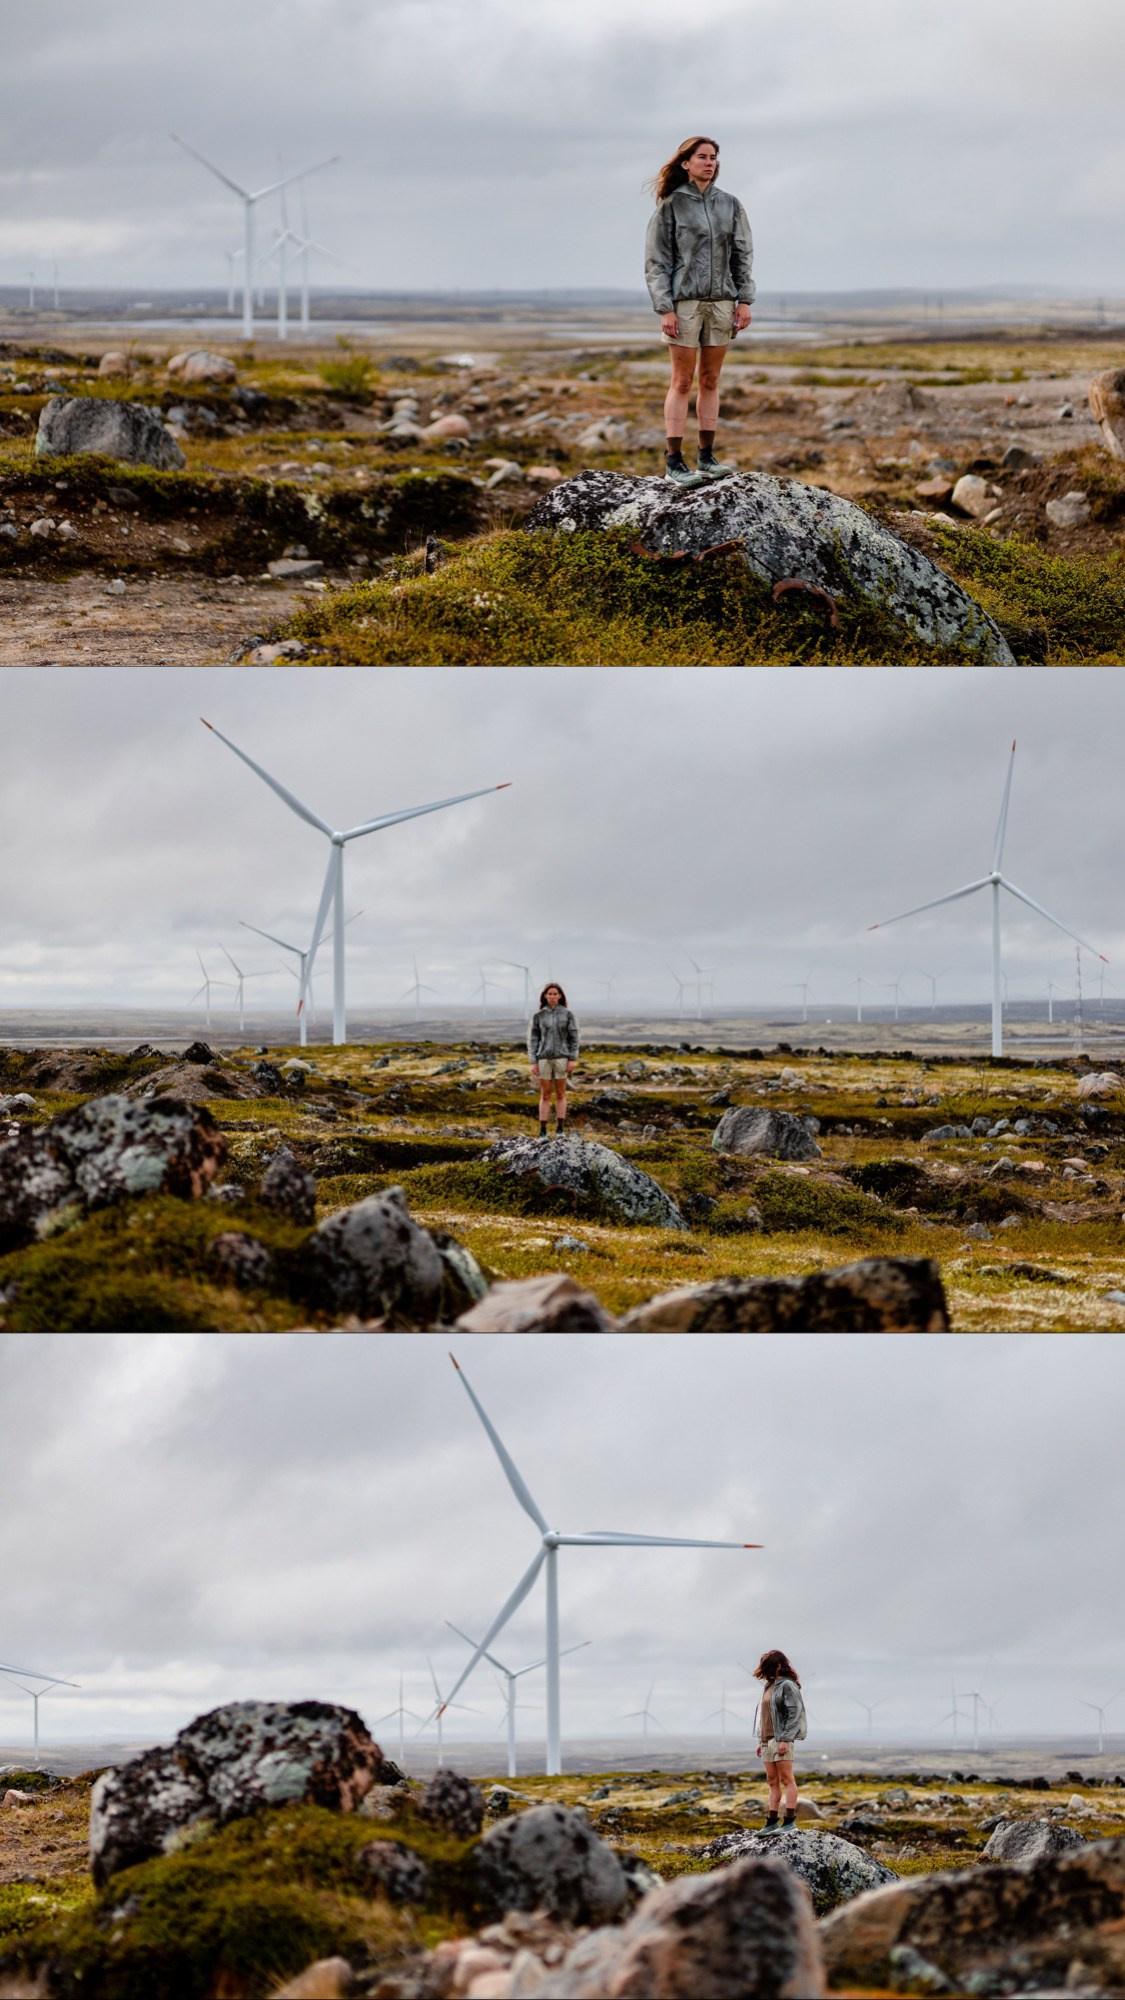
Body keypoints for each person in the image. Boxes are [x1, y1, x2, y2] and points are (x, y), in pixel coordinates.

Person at [644, 135, 755, 488]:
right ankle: (674, 461)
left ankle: (706, 458)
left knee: (710, 380)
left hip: (722, 303)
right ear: (686, 163)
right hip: (685, 304)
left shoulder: (730, 204)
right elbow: (657, 262)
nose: (709, 162)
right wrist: (665, 308)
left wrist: (744, 299)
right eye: (702, 157)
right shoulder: (671, 206)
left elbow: (742, 254)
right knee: (682, 381)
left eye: (713, 157)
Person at [751, 1648, 807, 1833]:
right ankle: (771, 1822)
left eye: (769, 1667)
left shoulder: (788, 1685)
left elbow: (794, 1713)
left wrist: (785, 1739)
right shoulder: (769, 1686)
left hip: (781, 1738)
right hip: (767, 1739)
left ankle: (789, 1822)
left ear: (780, 1665)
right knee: (772, 1781)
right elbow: (766, 1716)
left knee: (786, 1779)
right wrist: (761, 1741)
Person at [528, 982, 579, 1138]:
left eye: (555, 993)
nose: (552, 996)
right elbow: (534, 1039)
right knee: (545, 1095)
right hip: (543, 1059)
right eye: (549, 994)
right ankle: (543, 1131)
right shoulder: (538, 1016)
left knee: (561, 1094)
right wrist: (533, 1061)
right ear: (545, 996)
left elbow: (574, 1038)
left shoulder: (568, 1014)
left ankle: (560, 1130)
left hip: (562, 1058)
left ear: (560, 995)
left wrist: (572, 1058)